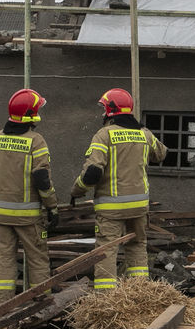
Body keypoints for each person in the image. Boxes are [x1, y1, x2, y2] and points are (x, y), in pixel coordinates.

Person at [70, 88, 168, 291]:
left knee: (106, 250)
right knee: (137, 246)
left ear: (109, 110)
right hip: (139, 207)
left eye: (103, 109)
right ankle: (139, 293)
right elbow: (161, 154)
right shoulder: (144, 134)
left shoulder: (103, 135)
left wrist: (76, 191)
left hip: (111, 208)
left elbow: (92, 172)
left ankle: (106, 300)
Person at [0, 88, 59, 302]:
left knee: (5, 261)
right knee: (37, 260)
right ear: (31, 115)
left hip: (1, 215)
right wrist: (52, 207)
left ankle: (1, 309)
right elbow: (42, 179)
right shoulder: (36, 141)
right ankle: (41, 306)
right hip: (28, 216)